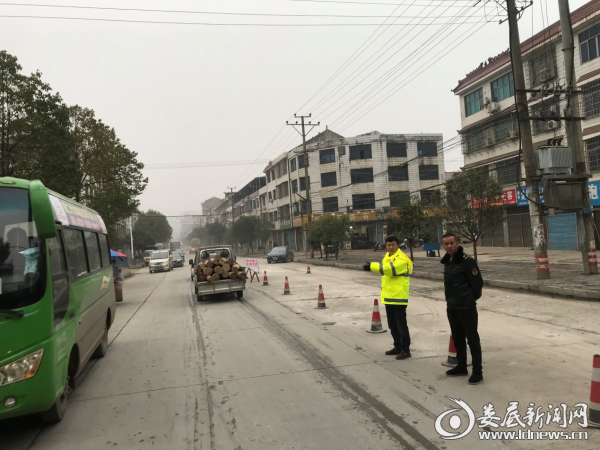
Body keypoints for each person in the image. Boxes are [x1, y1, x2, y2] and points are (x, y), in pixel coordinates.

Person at [440, 232, 484, 385]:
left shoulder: (467, 261)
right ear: (443, 245)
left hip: (466, 307)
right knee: (458, 338)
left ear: (457, 243)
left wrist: (470, 299)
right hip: (451, 307)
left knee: (472, 339)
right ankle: (461, 366)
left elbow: (477, 284)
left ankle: (477, 372)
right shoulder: (448, 261)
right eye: (446, 244)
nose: (449, 246)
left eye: (452, 243)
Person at [363, 235, 414, 360]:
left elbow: (389, 269)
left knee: (401, 326)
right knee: (392, 325)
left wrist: (371, 266)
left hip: (398, 297)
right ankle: (397, 346)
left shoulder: (402, 258)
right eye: (388, 245)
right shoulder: (388, 256)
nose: (390, 247)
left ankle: (405, 350)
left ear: (398, 245)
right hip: (389, 297)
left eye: (393, 245)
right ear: (386, 246)